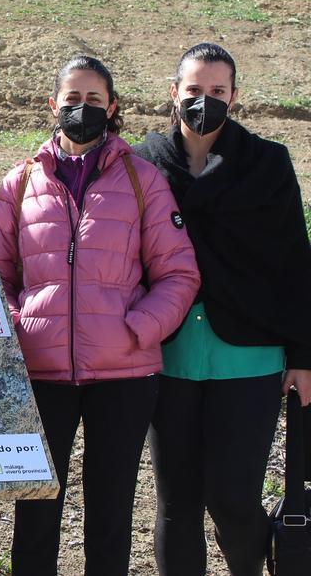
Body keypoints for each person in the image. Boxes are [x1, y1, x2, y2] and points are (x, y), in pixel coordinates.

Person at [0, 56, 201, 576]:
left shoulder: (143, 179)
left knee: (110, 514)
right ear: (53, 105)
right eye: (73, 99)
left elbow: (179, 274)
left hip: (123, 374)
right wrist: (17, 328)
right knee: (34, 512)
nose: (83, 109)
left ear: (113, 107)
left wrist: (137, 328)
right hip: (39, 373)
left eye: (94, 100)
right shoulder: (20, 182)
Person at [133, 42, 311, 575]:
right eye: (193, 91)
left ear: (234, 96)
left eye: (216, 91)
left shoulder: (266, 162)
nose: (203, 101)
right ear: (174, 94)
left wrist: (304, 355)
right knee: (176, 504)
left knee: (234, 500)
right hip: (168, 354)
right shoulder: (142, 163)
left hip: (250, 356)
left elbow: (295, 262)